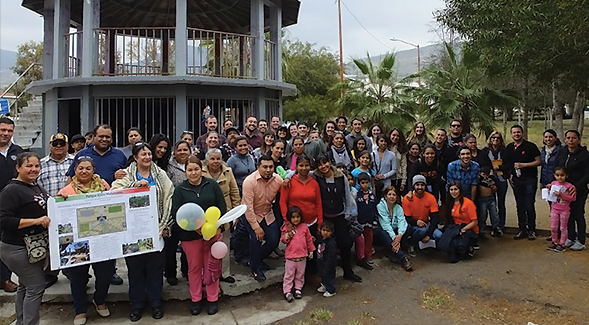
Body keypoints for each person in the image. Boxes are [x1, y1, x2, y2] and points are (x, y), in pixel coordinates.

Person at [111, 142, 174, 321]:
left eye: (148, 154)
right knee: (135, 269)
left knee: (155, 269)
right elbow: (115, 191)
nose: (147, 157)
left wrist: (165, 226)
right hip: (133, 231)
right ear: (136, 157)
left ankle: (155, 303)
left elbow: (169, 196)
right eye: (143, 155)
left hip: (156, 229)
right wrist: (134, 185)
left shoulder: (160, 174)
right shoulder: (127, 174)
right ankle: (137, 305)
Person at [67, 125, 128, 285]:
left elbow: (127, 178)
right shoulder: (82, 154)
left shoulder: (119, 155)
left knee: (108, 241)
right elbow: (70, 178)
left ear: (112, 139)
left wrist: (119, 176)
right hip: (83, 208)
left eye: (108, 137)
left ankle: (111, 271)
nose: (104, 139)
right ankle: (83, 273)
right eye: (101, 136)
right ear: (93, 137)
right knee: (85, 242)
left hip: (109, 207)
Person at [57, 157, 113, 325]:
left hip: (102, 238)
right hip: (78, 243)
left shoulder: (103, 185)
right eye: (81, 168)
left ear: (93, 170)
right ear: (75, 170)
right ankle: (80, 309)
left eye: (88, 168)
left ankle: (99, 299)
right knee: (78, 277)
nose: (84, 171)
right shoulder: (66, 191)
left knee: (105, 274)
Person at [171, 156, 227, 316]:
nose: (193, 173)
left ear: (201, 170)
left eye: (196, 169)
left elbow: (221, 207)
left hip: (212, 234)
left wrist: (218, 227)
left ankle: (212, 299)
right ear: (185, 171)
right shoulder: (180, 190)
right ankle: (196, 299)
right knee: (194, 268)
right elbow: (176, 213)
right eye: (190, 170)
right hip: (190, 237)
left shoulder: (212, 185)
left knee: (212, 267)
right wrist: (194, 229)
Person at [0, 152, 51, 325]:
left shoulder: (34, 185)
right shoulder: (12, 190)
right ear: (18, 168)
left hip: (32, 247)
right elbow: (4, 220)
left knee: (25, 285)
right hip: (17, 247)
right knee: (36, 287)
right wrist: (35, 221)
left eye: (36, 166)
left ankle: (22, 322)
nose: (33, 169)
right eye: (28, 166)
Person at [313, 155, 362, 282]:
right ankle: (322, 274)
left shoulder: (340, 176)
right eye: (320, 164)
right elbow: (299, 172)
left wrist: (348, 213)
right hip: (324, 217)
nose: (323, 166)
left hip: (339, 215)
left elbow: (347, 195)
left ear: (330, 162)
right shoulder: (316, 176)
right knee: (323, 246)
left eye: (325, 163)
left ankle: (348, 271)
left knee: (345, 244)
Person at [37, 133, 74, 288]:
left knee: (71, 240)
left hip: (70, 209)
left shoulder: (75, 161)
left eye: (62, 144)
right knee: (50, 242)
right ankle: (51, 273)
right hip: (48, 210)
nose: (58, 146)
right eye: (55, 144)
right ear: (50, 145)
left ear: (67, 146)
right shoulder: (40, 163)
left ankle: (72, 271)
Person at [240, 155, 283, 281]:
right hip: (251, 214)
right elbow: (248, 208)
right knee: (255, 239)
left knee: (274, 240)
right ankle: (255, 269)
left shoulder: (278, 180)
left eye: (271, 167)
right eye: (265, 167)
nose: (268, 170)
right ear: (258, 167)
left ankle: (256, 259)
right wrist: (256, 227)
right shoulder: (249, 181)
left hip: (268, 213)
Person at [202, 149, 240, 283]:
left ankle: (224, 273)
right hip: (206, 214)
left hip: (225, 212)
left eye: (218, 158)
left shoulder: (228, 172)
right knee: (205, 246)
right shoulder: (200, 172)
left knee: (224, 244)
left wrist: (236, 212)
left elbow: (234, 192)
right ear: (207, 160)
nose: (215, 161)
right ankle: (206, 274)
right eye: (212, 159)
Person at [506, 125, 541, 240]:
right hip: (517, 180)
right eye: (514, 132)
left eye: (518, 132)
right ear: (511, 134)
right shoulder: (509, 148)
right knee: (519, 205)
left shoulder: (530, 146)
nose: (516, 134)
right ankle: (522, 229)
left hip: (529, 179)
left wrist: (524, 165)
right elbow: (509, 164)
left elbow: (538, 161)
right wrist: (510, 175)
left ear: (522, 133)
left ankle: (532, 230)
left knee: (529, 205)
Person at [0, 117, 23, 293]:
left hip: (11, 206)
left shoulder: (18, 152)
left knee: (6, 242)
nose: (5, 133)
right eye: (2, 130)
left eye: (9, 131)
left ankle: (4, 279)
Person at [557, 130, 589, 251]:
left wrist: (577, 186)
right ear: (565, 139)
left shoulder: (584, 155)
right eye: (568, 138)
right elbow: (557, 168)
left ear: (579, 139)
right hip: (564, 191)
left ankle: (581, 240)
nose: (571, 140)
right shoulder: (562, 152)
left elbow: (587, 174)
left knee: (578, 215)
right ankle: (570, 237)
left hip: (578, 191)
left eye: (574, 138)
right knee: (567, 215)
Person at [164, 141, 191, 284]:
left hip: (191, 212)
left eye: (185, 149)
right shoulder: (169, 167)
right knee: (171, 245)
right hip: (172, 210)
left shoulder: (194, 164)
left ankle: (186, 271)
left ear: (189, 151)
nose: (182, 152)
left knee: (187, 244)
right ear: (174, 152)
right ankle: (170, 273)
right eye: (179, 150)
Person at [280, 206, 315, 302]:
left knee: (300, 275)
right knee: (289, 275)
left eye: (297, 217)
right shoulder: (287, 228)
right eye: (293, 217)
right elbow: (283, 240)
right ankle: (287, 291)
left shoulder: (304, 227)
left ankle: (298, 289)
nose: (296, 219)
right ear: (289, 218)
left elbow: (309, 239)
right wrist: (287, 235)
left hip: (302, 257)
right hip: (291, 258)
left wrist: (311, 250)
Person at [375, 186, 412, 271]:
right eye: (389, 194)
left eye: (394, 195)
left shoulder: (398, 207)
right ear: (385, 196)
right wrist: (395, 239)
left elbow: (402, 221)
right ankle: (403, 258)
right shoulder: (380, 207)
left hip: (395, 233)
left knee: (408, 227)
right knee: (383, 232)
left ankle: (392, 251)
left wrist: (399, 235)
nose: (392, 197)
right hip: (384, 234)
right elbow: (385, 224)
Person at [440, 182, 478, 262]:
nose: (453, 192)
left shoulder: (468, 203)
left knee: (455, 243)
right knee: (444, 242)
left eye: (455, 189)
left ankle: (468, 248)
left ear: (460, 190)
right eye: (451, 190)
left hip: (469, 230)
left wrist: (463, 230)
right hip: (456, 228)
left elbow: (474, 222)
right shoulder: (450, 203)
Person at [403, 175, 440, 257]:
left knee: (439, 236)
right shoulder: (407, 199)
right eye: (417, 185)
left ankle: (426, 243)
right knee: (422, 230)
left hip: (427, 223)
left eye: (422, 185)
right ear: (414, 186)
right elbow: (406, 218)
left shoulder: (431, 197)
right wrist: (416, 222)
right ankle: (411, 244)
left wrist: (429, 235)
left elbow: (435, 217)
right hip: (413, 225)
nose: (420, 187)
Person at [481, 131, 510, 233]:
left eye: (498, 138)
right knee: (489, 203)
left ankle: (500, 225)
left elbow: (509, 164)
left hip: (502, 178)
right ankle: (491, 225)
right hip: (489, 180)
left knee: (501, 203)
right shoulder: (485, 151)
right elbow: (483, 164)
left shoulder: (505, 151)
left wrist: (500, 167)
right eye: (493, 137)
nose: (495, 140)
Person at [547, 167, 576, 252]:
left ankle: (562, 243)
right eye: (557, 175)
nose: (560, 177)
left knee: (563, 228)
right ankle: (554, 241)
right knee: (553, 227)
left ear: (566, 176)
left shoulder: (569, 186)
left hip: (564, 210)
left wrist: (562, 195)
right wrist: (549, 189)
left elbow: (573, 198)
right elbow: (550, 195)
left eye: (562, 175)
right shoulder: (553, 184)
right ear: (554, 176)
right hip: (554, 209)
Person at [355, 173, 378, 265]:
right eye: (363, 182)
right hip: (360, 221)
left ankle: (368, 255)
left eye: (367, 182)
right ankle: (360, 256)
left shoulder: (372, 196)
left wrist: (375, 220)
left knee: (369, 239)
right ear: (359, 183)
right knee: (360, 240)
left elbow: (375, 208)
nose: (365, 185)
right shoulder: (357, 196)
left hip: (370, 221)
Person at [477, 166, 501, 238]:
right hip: (482, 200)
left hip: (491, 198)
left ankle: (496, 227)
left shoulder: (491, 179)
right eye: (483, 174)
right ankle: (482, 228)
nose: (485, 176)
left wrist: (494, 186)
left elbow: (495, 186)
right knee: (483, 215)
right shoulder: (479, 180)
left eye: (486, 174)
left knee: (494, 214)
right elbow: (483, 184)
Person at [315, 221, 337, 297]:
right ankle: (324, 286)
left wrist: (328, 266)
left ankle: (331, 290)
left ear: (332, 232)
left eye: (328, 231)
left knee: (329, 277)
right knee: (322, 275)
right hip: (321, 261)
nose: (325, 233)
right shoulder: (320, 239)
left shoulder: (331, 243)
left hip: (328, 263)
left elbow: (331, 256)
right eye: (323, 230)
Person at [389, 128, 408, 194]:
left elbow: (404, 166)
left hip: (397, 178)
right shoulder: (385, 148)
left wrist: (403, 182)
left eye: (397, 136)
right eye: (393, 135)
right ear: (390, 135)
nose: (395, 137)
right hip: (386, 178)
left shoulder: (401, 150)